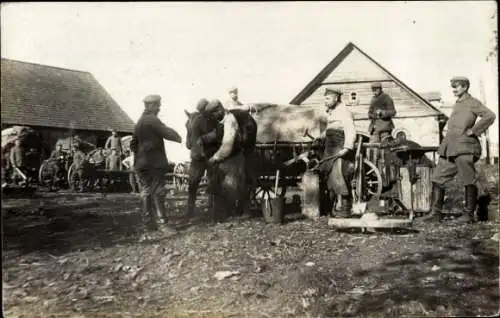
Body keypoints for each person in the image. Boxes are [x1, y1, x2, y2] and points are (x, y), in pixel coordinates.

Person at [423, 76, 496, 223]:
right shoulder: (457, 104)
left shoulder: (472, 102)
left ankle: (468, 214)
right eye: (453, 87)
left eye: (456, 86)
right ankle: (435, 213)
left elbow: (490, 115)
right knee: (438, 177)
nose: (454, 89)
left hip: (466, 148)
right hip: (451, 148)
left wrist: (474, 130)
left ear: (465, 87)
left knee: (468, 179)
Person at [131, 94, 182, 233]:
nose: (159, 107)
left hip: (140, 165)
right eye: (158, 105)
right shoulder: (152, 120)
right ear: (151, 106)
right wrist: (178, 137)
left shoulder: (139, 122)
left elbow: (132, 144)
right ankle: (163, 224)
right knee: (158, 192)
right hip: (153, 164)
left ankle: (147, 224)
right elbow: (168, 133)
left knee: (146, 192)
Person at [319, 87, 357, 217]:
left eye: (328, 98)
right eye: (325, 98)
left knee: (339, 175)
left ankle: (346, 209)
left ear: (336, 98)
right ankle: (331, 208)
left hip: (339, 147)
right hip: (329, 148)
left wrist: (347, 148)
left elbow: (350, 129)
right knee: (326, 174)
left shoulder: (344, 111)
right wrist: (322, 135)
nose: (326, 101)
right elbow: (331, 128)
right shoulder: (332, 112)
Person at [367, 82, 396, 163]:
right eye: (373, 90)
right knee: (372, 149)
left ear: (380, 89)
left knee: (385, 150)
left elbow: (393, 112)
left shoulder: (386, 98)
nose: (374, 92)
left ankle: (385, 168)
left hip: (385, 128)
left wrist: (382, 113)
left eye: (375, 90)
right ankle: (373, 168)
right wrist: (371, 115)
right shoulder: (373, 100)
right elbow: (369, 113)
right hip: (374, 129)